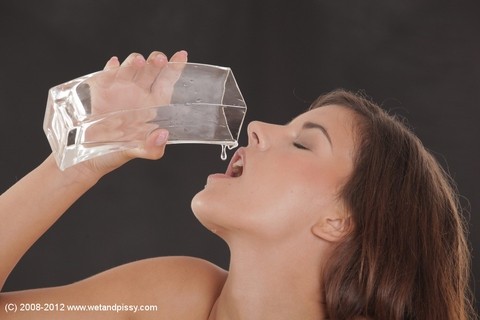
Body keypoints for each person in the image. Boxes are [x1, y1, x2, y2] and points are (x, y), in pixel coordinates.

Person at [0, 50, 476, 320]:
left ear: (339, 220)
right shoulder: (172, 297)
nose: (257, 128)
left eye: (303, 144)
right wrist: (78, 165)